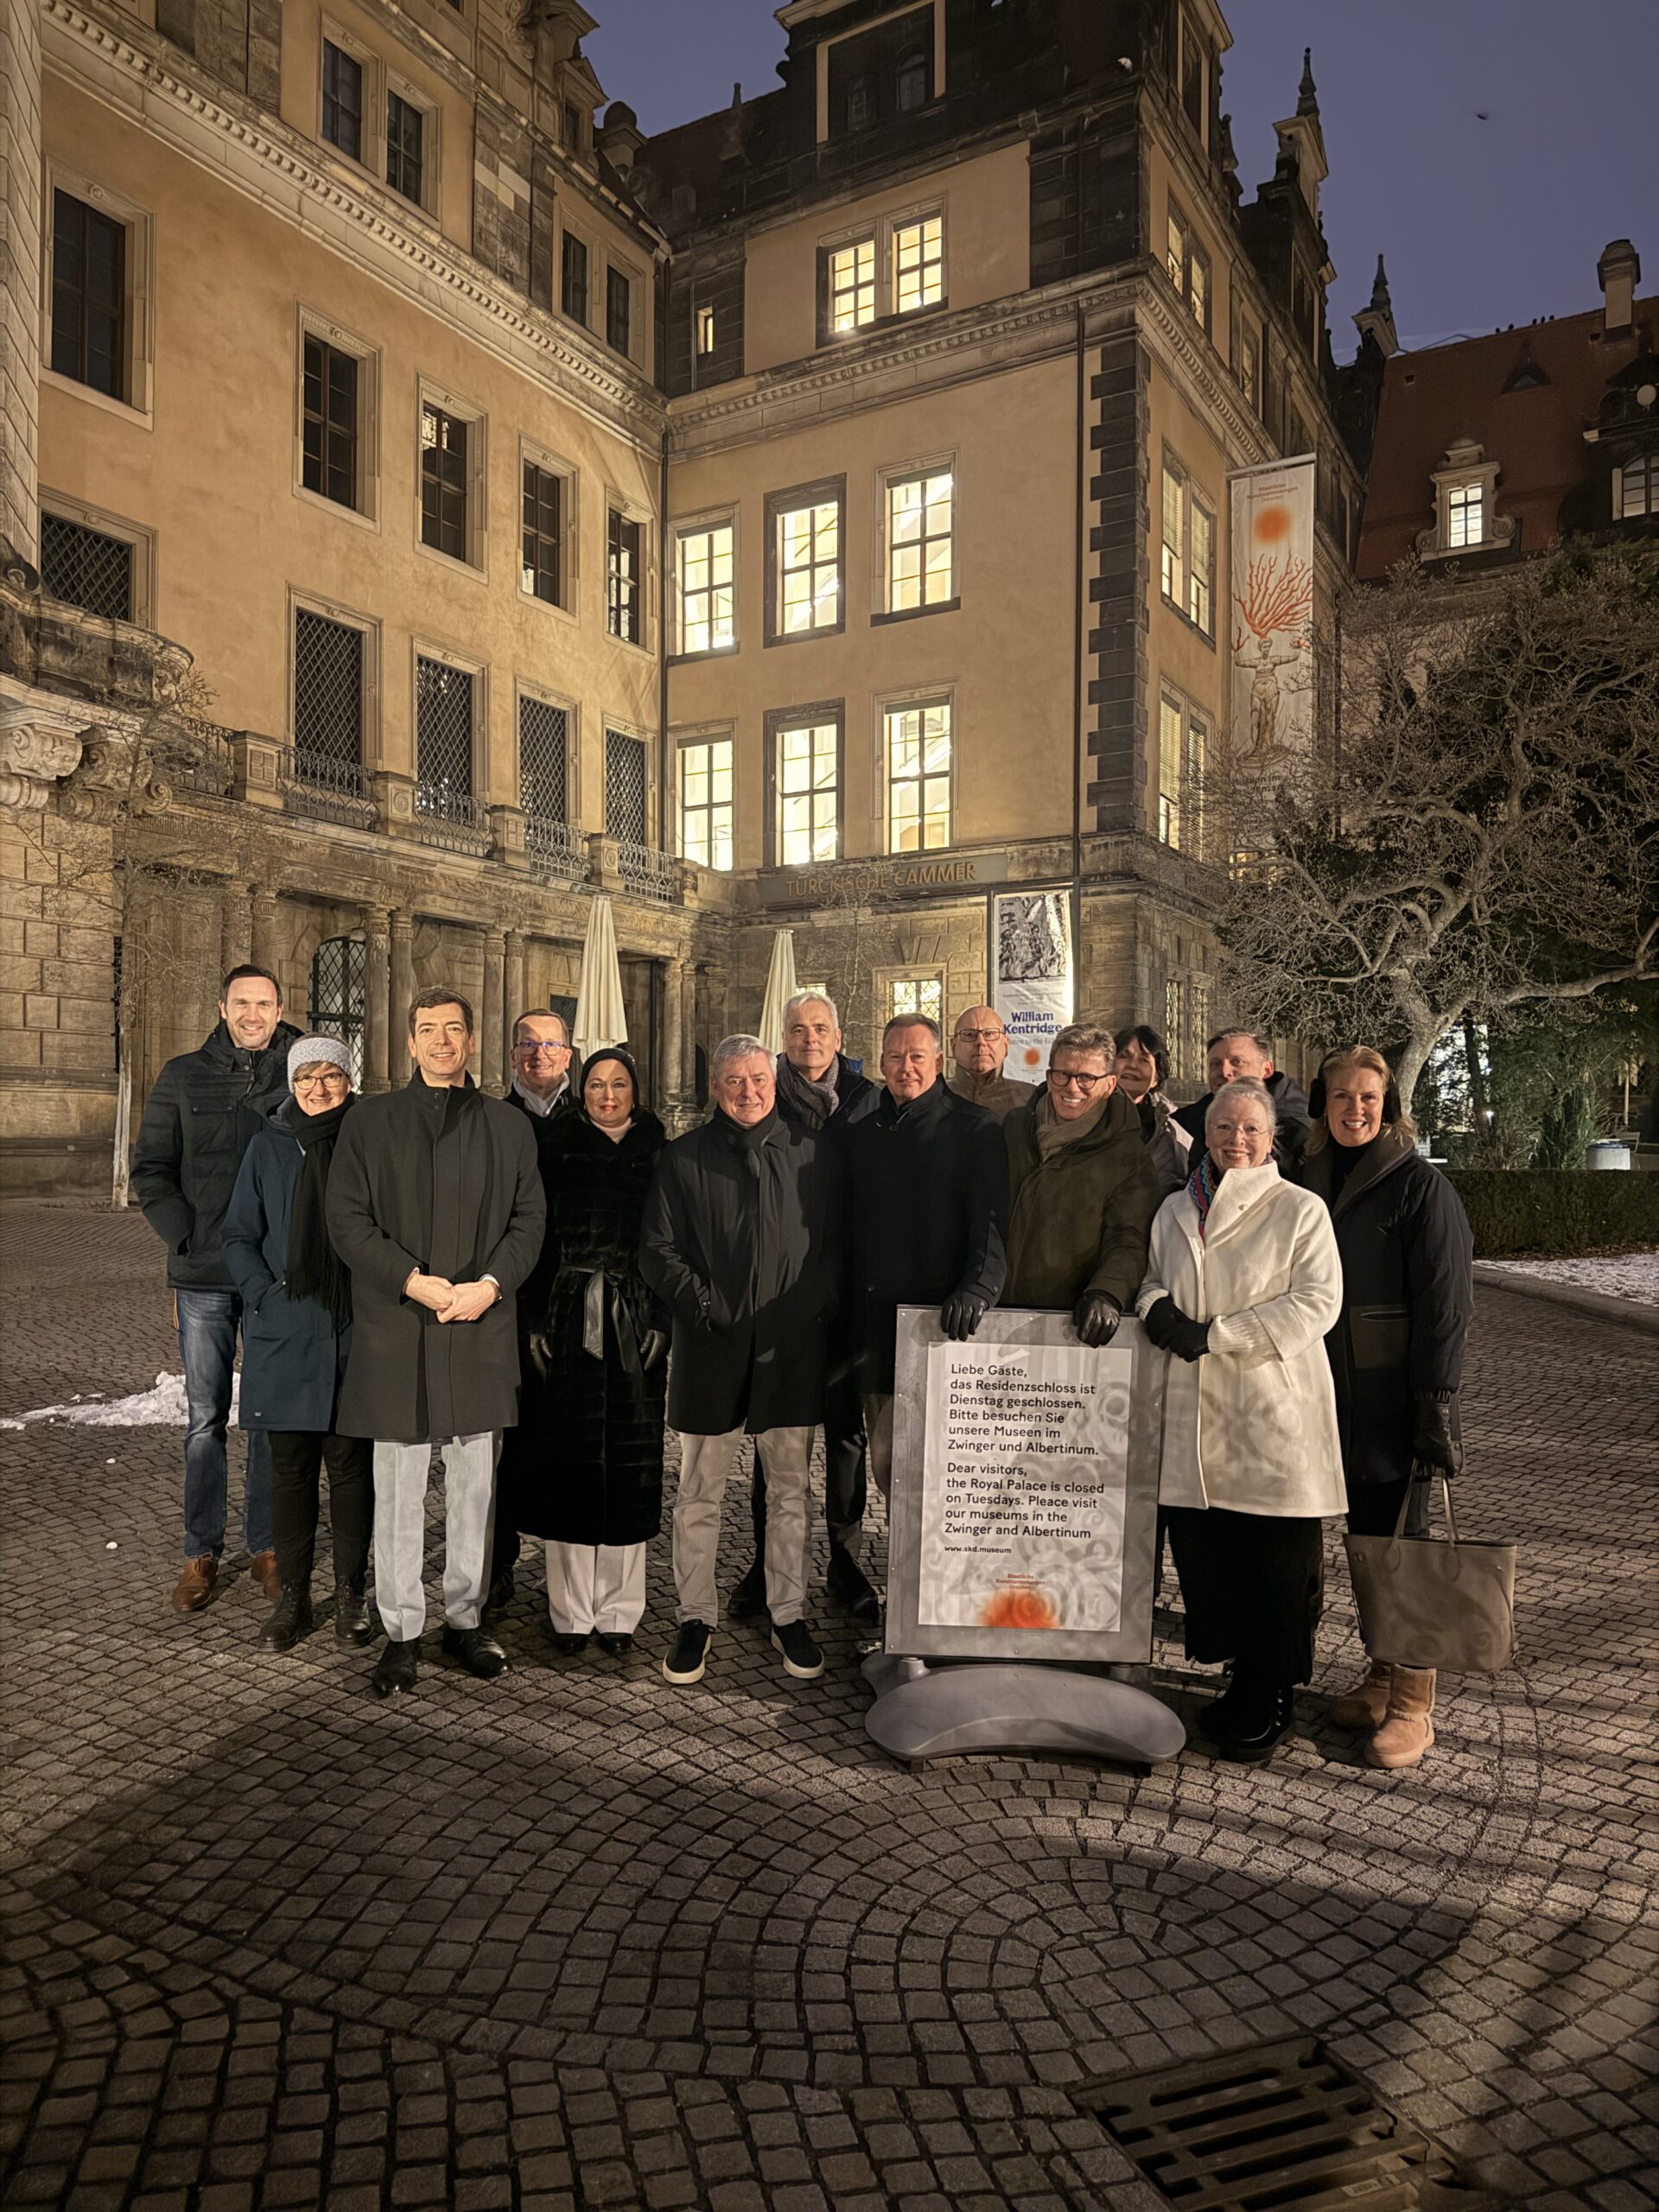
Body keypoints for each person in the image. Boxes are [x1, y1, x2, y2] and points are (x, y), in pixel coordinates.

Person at [327, 988, 545, 1697]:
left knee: (475, 1490)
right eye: (429, 1030)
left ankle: (464, 1620)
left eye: (455, 1029)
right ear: (410, 1042)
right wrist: (410, 1280)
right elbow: (347, 1219)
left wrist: (491, 1285)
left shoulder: (509, 1127)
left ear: (471, 1040)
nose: (443, 1041)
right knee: (397, 1492)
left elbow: (529, 1221)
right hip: (399, 1327)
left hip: (480, 1326)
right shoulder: (371, 1122)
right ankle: (401, 1632)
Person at [1136, 1077, 1344, 1764]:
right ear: (1207, 1134)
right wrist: (1156, 1309)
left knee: (1274, 1565)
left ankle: (1272, 1693)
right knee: (1214, 1558)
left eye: (1252, 1129)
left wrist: (1218, 1336)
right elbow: (1151, 1276)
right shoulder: (1176, 1208)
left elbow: (1317, 1302)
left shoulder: (1300, 1210)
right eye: (1224, 1128)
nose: (1237, 1140)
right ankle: (1239, 1681)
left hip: (1269, 1413)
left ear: (1272, 1137)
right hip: (1196, 1415)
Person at [639, 1034, 838, 1688]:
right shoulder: (684, 1156)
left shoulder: (813, 1153)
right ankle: (695, 1616)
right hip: (711, 1348)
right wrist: (706, 1306)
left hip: (789, 1350)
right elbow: (657, 1250)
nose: (748, 1091)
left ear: (774, 1082)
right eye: (734, 1081)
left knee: (790, 1493)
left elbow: (833, 1250)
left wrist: (804, 1310)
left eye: (758, 1079)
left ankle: (788, 1611)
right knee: (699, 1493)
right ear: (716, 1087)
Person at [1300, 1046, 1474, 1770]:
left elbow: (1445, 1307)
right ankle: (1379, 1675)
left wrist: (1435, 1402)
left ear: (1389, 1106)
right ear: (1323, 1103)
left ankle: (1412, 1704)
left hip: (1391, 1401)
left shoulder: (1421, 1188)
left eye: (1369, 1097)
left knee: (1405, 1550)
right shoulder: (1308, 1176)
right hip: (1322, 1395)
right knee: (1366, 1547)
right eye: (1342, 1096)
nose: (1355, 1109)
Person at [131, 964, 302, 1613]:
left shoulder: (302, 1071)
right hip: (203, 1275)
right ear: (222, 1008)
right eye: (242, 1003)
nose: (253, 1014)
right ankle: (200, 1550)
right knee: (205, 1420)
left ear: (279, 1009)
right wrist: (184, 1236)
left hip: (273, 1276)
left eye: (264, 1004)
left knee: (266, 1417)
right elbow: (151, 1168)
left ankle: (268, 1546)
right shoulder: (182, 1075)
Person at [508, 1048, 669, 1657]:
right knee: (569, 1464)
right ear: (582, 1090)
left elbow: (674, 1243)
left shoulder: (660, 1151)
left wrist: (661, 1319)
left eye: (619, 1084)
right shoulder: (555, 1146)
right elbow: (535, 1237)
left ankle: (621, 1611)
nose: (607, 1094)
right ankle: (571, 1611)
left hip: (636, 1320)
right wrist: (535, 1319)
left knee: (631, 1466)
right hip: (568, 1315)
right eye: (597, 1084)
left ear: (635, 1090)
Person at [728, 991, 881, 1627]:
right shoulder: (766, 1097)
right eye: (797, 1029)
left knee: (846, 1437)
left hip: (849, 1295)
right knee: (776, 1436)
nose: (809, 1039)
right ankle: (766, 1563)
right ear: (783, 1038)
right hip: (782, 1296)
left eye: (820, 1028)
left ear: (838, 1036)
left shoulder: (869, 1101)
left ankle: (845, 1561)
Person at [221, 1035, 374, 1652]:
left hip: (352, 1330)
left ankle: (352, 1592)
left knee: (350, 1469)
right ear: (291, 1083)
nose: (318, 1088)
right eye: (306, 1076)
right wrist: (263, 1295)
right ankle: (294, 1598)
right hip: (285, 1330)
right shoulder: (268, 1146)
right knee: (290, 1472)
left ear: (348, 1081)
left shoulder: (367, 1141)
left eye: (330, 1075)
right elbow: (239, 1234)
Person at [842, 1014, 1008, 1545]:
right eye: (895, 1057)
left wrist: (978, 1288)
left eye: (917, 1056)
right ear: (881, 1062)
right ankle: (907, 1574)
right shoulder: (859, 1132)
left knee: (947, 1470)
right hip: (875, 1331)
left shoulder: (976, 1128)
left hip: (944, 1328)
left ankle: (944, 1575)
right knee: (889, 1465)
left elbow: (991, 1227)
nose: (905, 1067)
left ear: (938, 1061)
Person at [487, 1007, 579, 1616]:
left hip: (573, 1304)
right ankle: (497, 1562)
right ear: (513, 1054)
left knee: (567, 1439)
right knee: (500, 1444)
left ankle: (568, 1580)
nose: (539, 1054)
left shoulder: (591, 1117)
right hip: (508, 1303)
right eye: (527, 1044)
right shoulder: (493, 1119)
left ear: (567, 1055)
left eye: (550, 1044)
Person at [1003, 1025, 1156, 1338]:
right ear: (1049, 1077)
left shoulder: (1128, 1156)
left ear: (1110, 1084)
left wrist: (1107, 1291)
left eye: (1086, 1078)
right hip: (997, 1313)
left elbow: (1129, 1238)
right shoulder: (1014, 1128)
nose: (1072, 1088)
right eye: (1063, 1075)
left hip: (1068, 1326)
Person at [1171, 1029, 1313, 1168]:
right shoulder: (1186, 1123)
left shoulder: (1295, 1131)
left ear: (1267, 1069)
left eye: (1237, 1062)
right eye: (1216, 1064)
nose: (1224, 1072)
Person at [1113, 1024, 1192, 1196]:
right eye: (1124, 1056)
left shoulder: (1172, 1133)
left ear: (1156, 1077)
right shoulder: (1085, 1117)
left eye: (1144, 1060)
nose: (1132, 1065)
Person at [947, 1005, 1036, 1116]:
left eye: (989, 1034)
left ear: (1006, 1044)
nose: (981, 1042)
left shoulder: (1031, 1098)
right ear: (953, 1046)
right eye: (969, 1034)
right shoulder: (933, 1099)